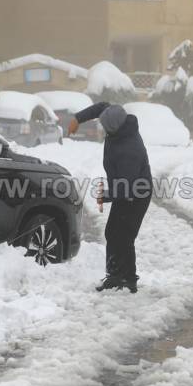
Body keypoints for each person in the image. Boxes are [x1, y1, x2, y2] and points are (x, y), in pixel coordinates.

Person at [68, 103, 152, 294]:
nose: (102, 129)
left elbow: (126, 188)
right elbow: (101, 108)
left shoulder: (129, 150)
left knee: (123, 236)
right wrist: (77, 119)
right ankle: (117, 276)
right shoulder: (116, 117)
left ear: (113, 128)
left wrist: (105, 195)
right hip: (126, 189)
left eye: (104, 127)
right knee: (113, 233)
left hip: (136, 195)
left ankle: (127, 279)